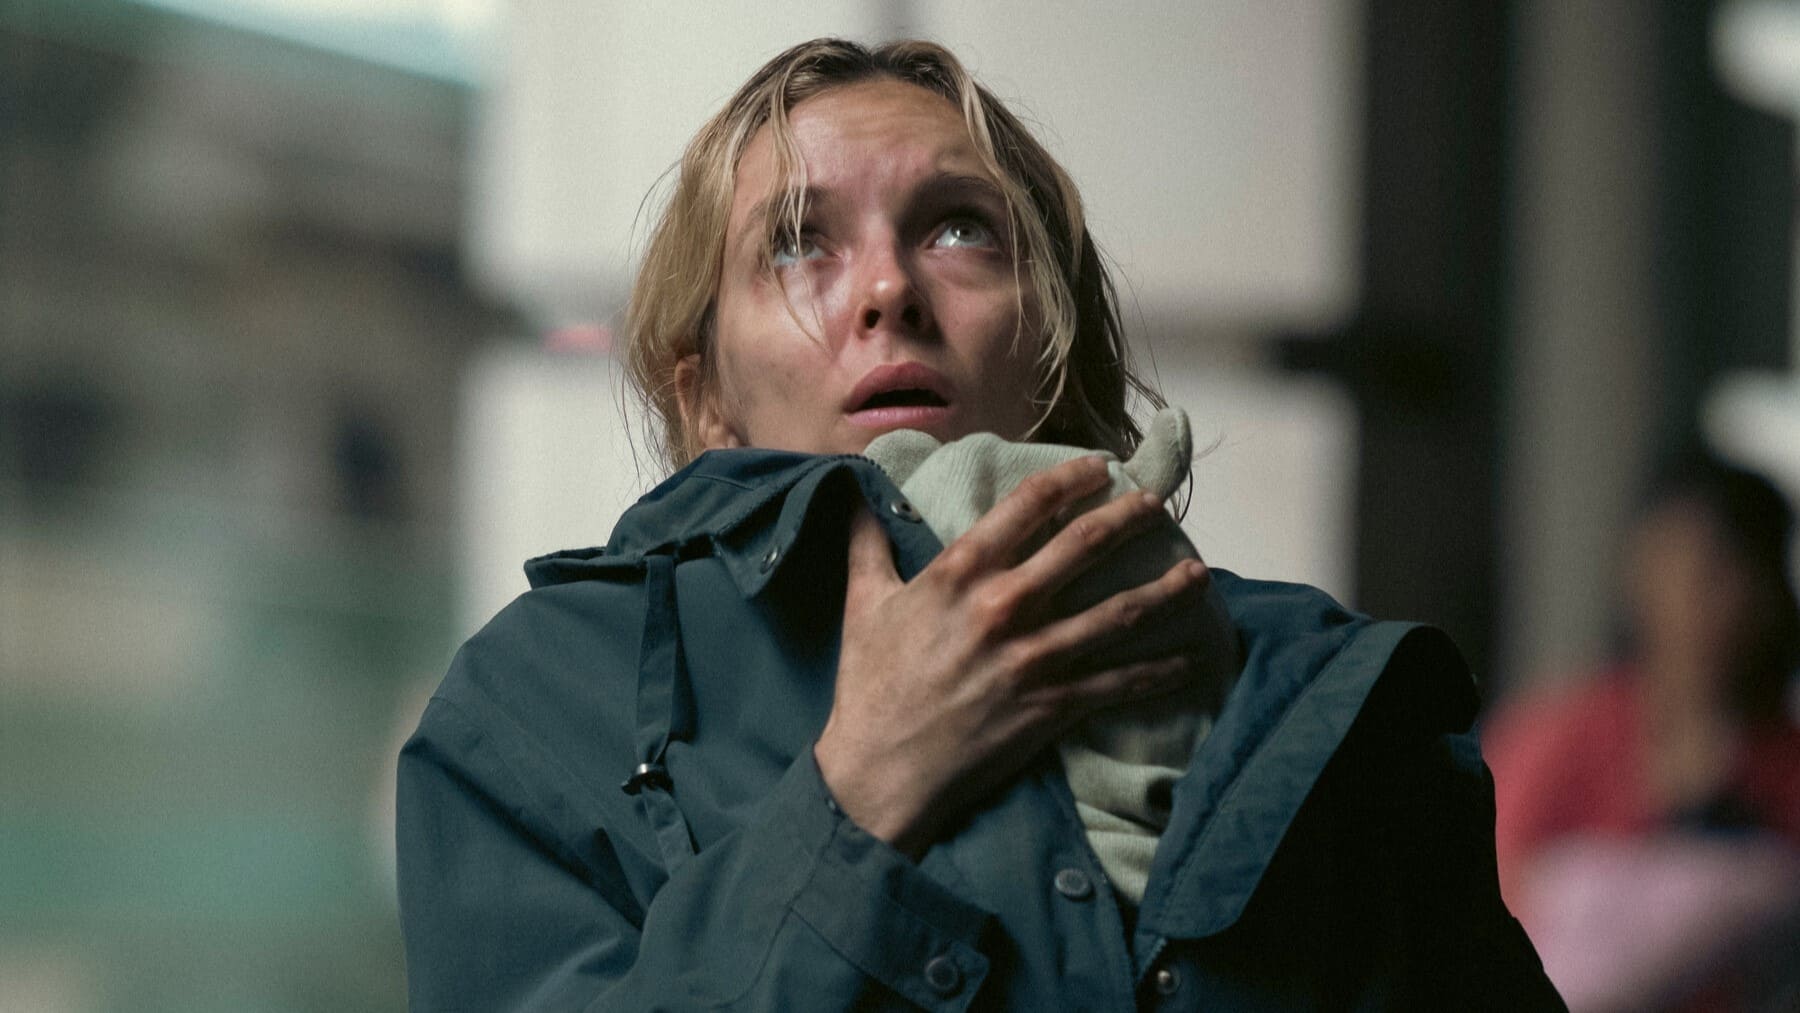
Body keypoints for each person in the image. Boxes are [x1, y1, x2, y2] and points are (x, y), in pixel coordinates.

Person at [397, 38, 1560, 1010]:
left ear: (1055, 345)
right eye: (797, 242)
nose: (889, 289)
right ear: (705, 395)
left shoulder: (1306, 687)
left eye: (959, 229)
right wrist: (861, 790)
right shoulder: (539, 705)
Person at [1485, 452, 1800, 1011]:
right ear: (1641, 570)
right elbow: (1481, 896)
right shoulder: (1556, 738)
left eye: (1741, 575)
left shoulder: (1783, 765)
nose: (1718, 604)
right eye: (1698, 571)